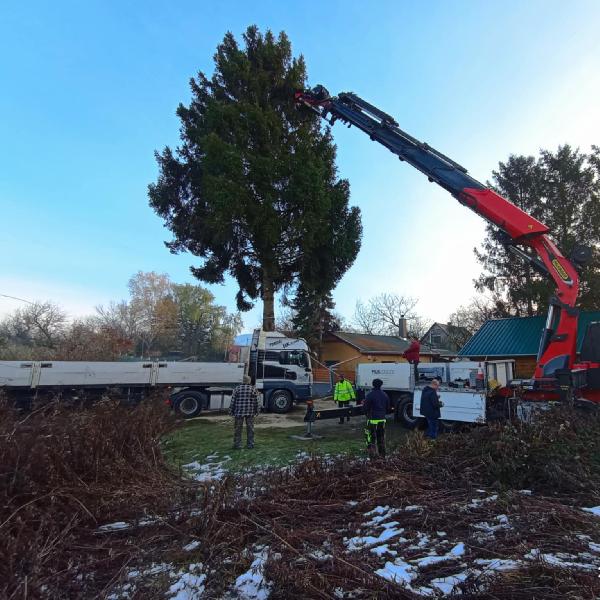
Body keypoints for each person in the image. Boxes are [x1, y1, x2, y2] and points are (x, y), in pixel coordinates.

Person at [363, 378, 391, 458]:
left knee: (370, 438)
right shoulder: (385, 395)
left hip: (372, 420)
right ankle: (382, 456)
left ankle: (372, 456)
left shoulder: (370, 395)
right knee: (381, 438)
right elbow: (388, 408)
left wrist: (367, 414)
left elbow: (365, 408)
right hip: (382, 420)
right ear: (381, 385)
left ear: (373, 384)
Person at [229, 375, 259, 449]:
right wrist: (257, 410)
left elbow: (233, 401)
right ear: (249, 381)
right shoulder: (252, 389)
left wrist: (231, 410)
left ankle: (237, 445)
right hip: (250, 412)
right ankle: (250, 444)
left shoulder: (237, 388)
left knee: (238, 429)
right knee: (250, 429)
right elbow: (256, 401)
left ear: (242, 381)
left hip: (239, 412)